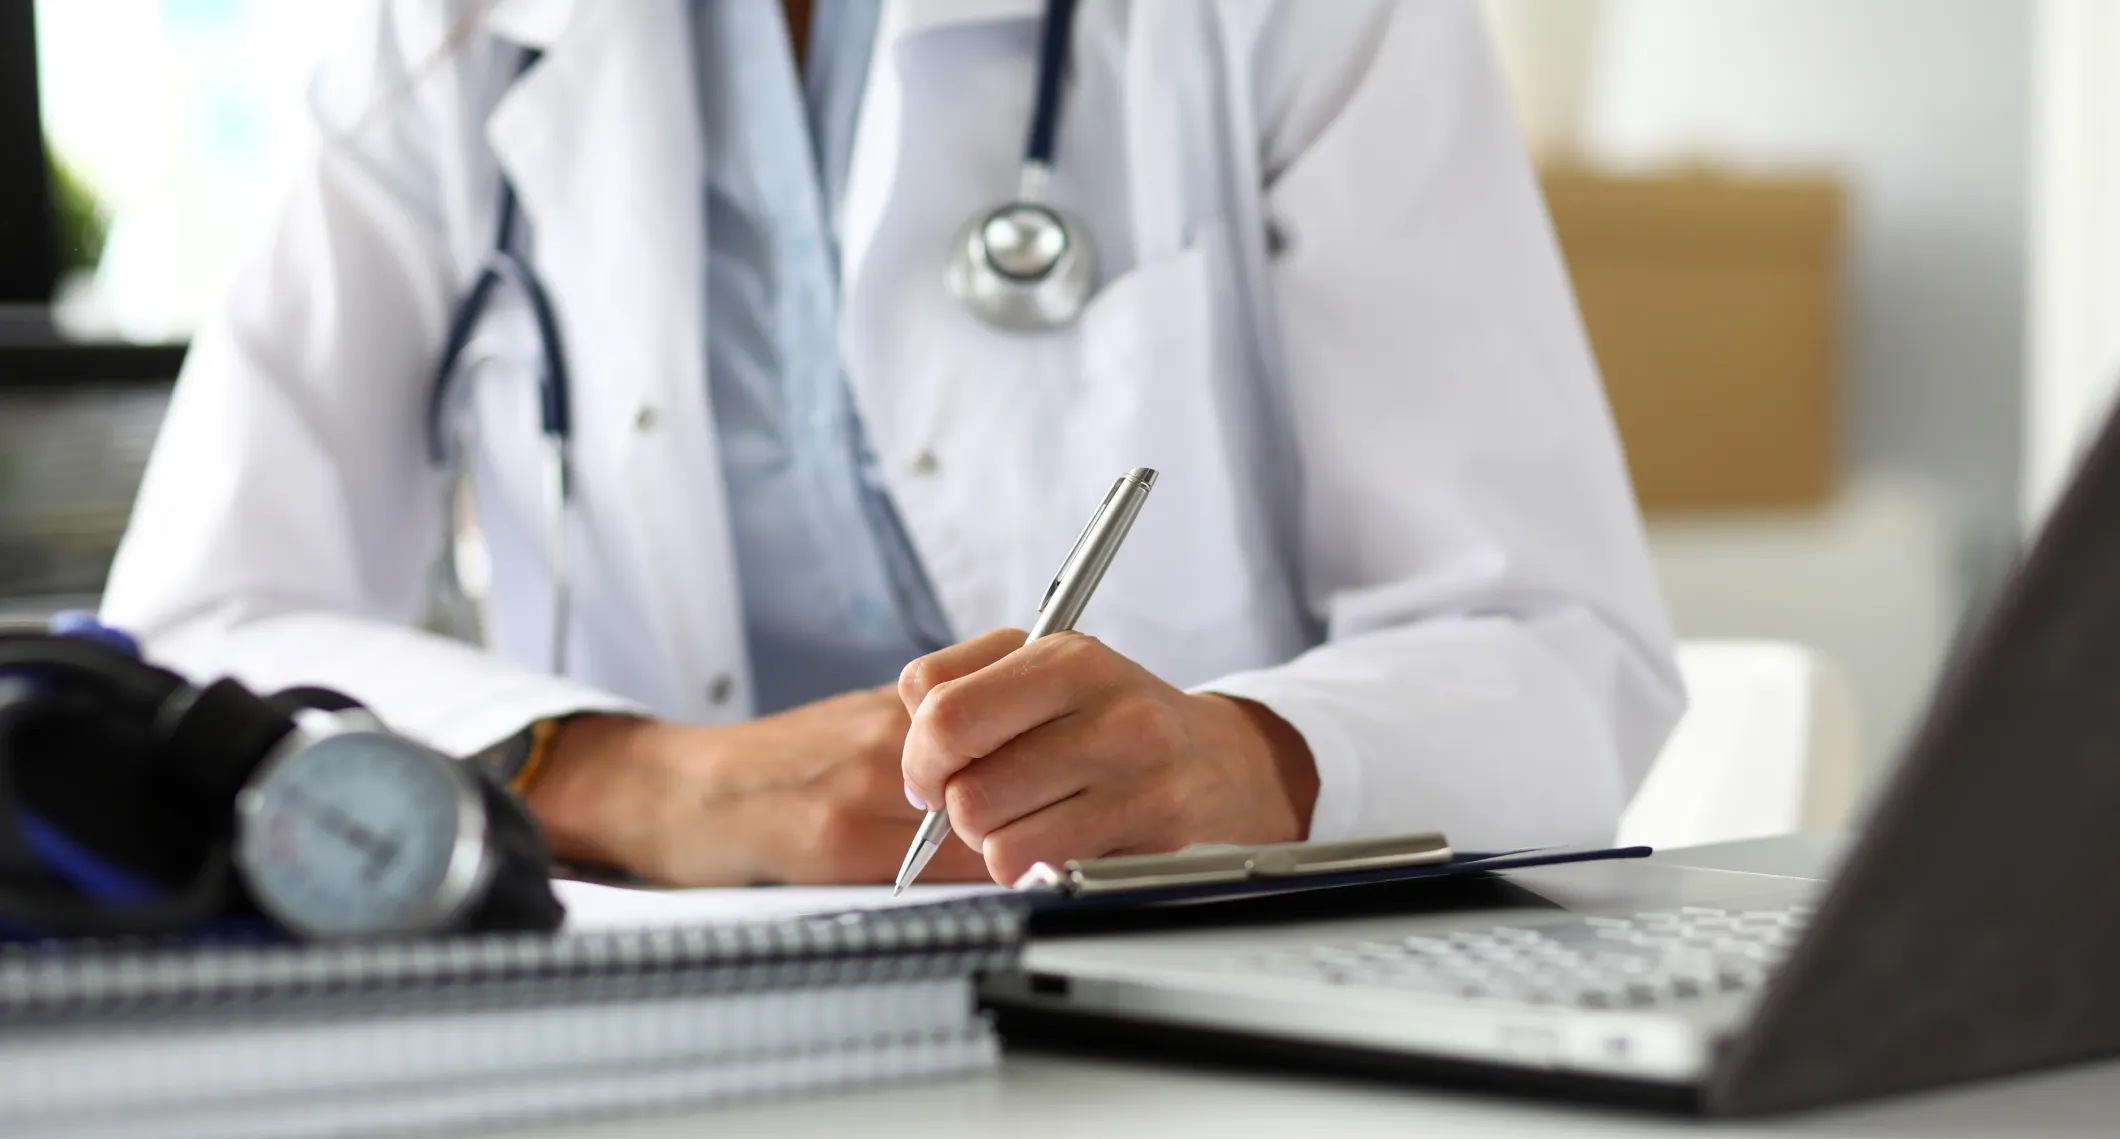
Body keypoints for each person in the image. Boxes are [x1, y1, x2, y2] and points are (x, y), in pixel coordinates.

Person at [100, 0, 1684, 889]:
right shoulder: (442, 42)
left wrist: (1242, 762)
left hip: (1199, 1001)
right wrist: (631, 777)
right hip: (671, 1012)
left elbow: (1552, 640)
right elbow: (196, 632)